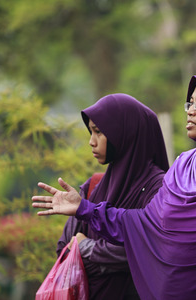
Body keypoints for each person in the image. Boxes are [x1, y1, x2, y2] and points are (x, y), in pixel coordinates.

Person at [32, 73, 196, 300]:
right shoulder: (184, 166)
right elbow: (144, 226)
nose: (190, 110)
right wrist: (84, 208)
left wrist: (86, 248)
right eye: (190, 102)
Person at [57, 93, 169, 299]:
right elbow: (64, 250)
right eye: (91, 132)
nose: (91, 141)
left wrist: (87, 248)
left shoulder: (159, 188)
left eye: (99, 132)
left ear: (126, 133)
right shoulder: (93, 187)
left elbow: (146, 251)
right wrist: (107, 259)